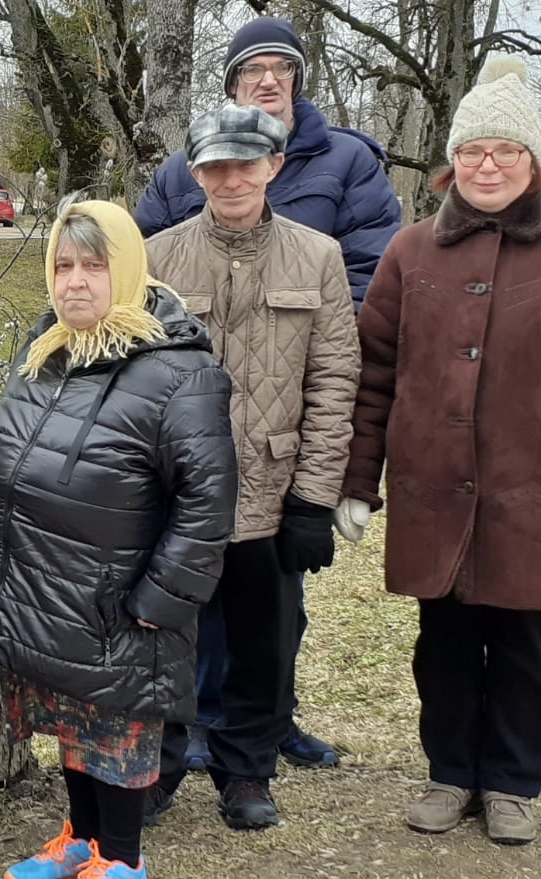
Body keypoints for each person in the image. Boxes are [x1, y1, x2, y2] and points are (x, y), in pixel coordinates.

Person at [336, 56, 541, 846]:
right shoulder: (410, 253)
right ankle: (450, 774)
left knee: (522, 646)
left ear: (533, 160)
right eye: (474, 151)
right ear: (452, 162)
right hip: (432, 491)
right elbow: (372, 374)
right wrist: (356, 480)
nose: (487, 165)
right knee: (441, 646)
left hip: (534, 493)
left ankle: (512, 784)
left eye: (505, 151)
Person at [132, 15, 401, 771]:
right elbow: (138, 288)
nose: (270, 76)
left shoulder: (348, 162)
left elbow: (367, 277)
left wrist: (309, 334)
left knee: (273, 609)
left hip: (283, 422)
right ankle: (191, 732)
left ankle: (260, 734)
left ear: (277, 164)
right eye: (254, 67)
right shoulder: (175, 188)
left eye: (283, 65)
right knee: (186, 601)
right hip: (195, 440)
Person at [0, 198, 237, 879]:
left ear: (129, 271)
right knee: (72, 723)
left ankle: (124, 862)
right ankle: (80, 840)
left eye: (92, 266)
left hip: (120, 601)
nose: (73, 282)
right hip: (49, 593)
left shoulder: (179, 372)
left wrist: (161, 598)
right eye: (62, 265)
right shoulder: (47, 352)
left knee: (115, 733)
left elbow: (208, 503)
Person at [142, 104, 360, 829]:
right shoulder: (158, 259)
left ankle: (246, 773)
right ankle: (159, 769)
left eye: (245, 163)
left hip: (270, 492)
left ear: (274, 166)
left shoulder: (318, 257)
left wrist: (314, 499)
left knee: (261, 651)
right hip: (177, 494)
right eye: (215, 166)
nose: (230, 178)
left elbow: (334, 381)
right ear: (196, 172)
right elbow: (134, 379)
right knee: (167, 644)